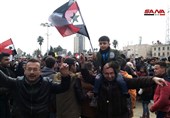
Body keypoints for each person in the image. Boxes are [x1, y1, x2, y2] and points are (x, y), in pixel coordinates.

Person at [0, 58, 70, 118]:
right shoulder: (18, 82)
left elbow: (63, 87)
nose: (32, 72)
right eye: (29, 69)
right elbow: (4, 80)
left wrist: (65, 76)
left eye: (35, 69)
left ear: (40, 71)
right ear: (25, 71)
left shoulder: (47, 83)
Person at [96, 62, 166, 118]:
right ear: (102, 74)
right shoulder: (98, 83)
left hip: (121, 115)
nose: (109, 76)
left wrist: (152, 79)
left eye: (111, 73)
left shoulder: (122, 82)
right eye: (106, 74)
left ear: (116, 73)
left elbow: (137, 81)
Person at [0, 52, 16, 118]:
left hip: (7, 101)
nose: (8, 61)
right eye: (6, 60)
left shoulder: (8, 70)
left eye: (8, 59)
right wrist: (8, 89)